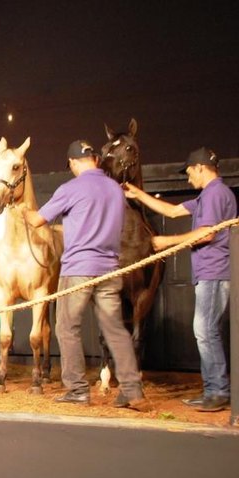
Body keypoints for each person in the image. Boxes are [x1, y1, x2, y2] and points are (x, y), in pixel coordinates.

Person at [22, 140, 149, 411]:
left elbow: (37, 221)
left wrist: (22, 209)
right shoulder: (115, 189)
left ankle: (77, 389)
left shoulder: (71, 188)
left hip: (79, 269)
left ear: (73, 162)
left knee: (66, 327)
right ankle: (131, 389)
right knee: (116, 329)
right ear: (94, 158)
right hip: (110, 269)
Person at [124, 147, 236, 412]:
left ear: (200, 168)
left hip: (214, 272)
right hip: (209, 273)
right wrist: (139, 194)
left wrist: (167, 241)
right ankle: (212, 390)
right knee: (206, 332)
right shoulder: (208, 196)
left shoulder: (216, 194)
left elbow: (207, 234)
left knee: (206, 331)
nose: (188, 179)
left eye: (189, 173)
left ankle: (218, 391)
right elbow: (172, 212)